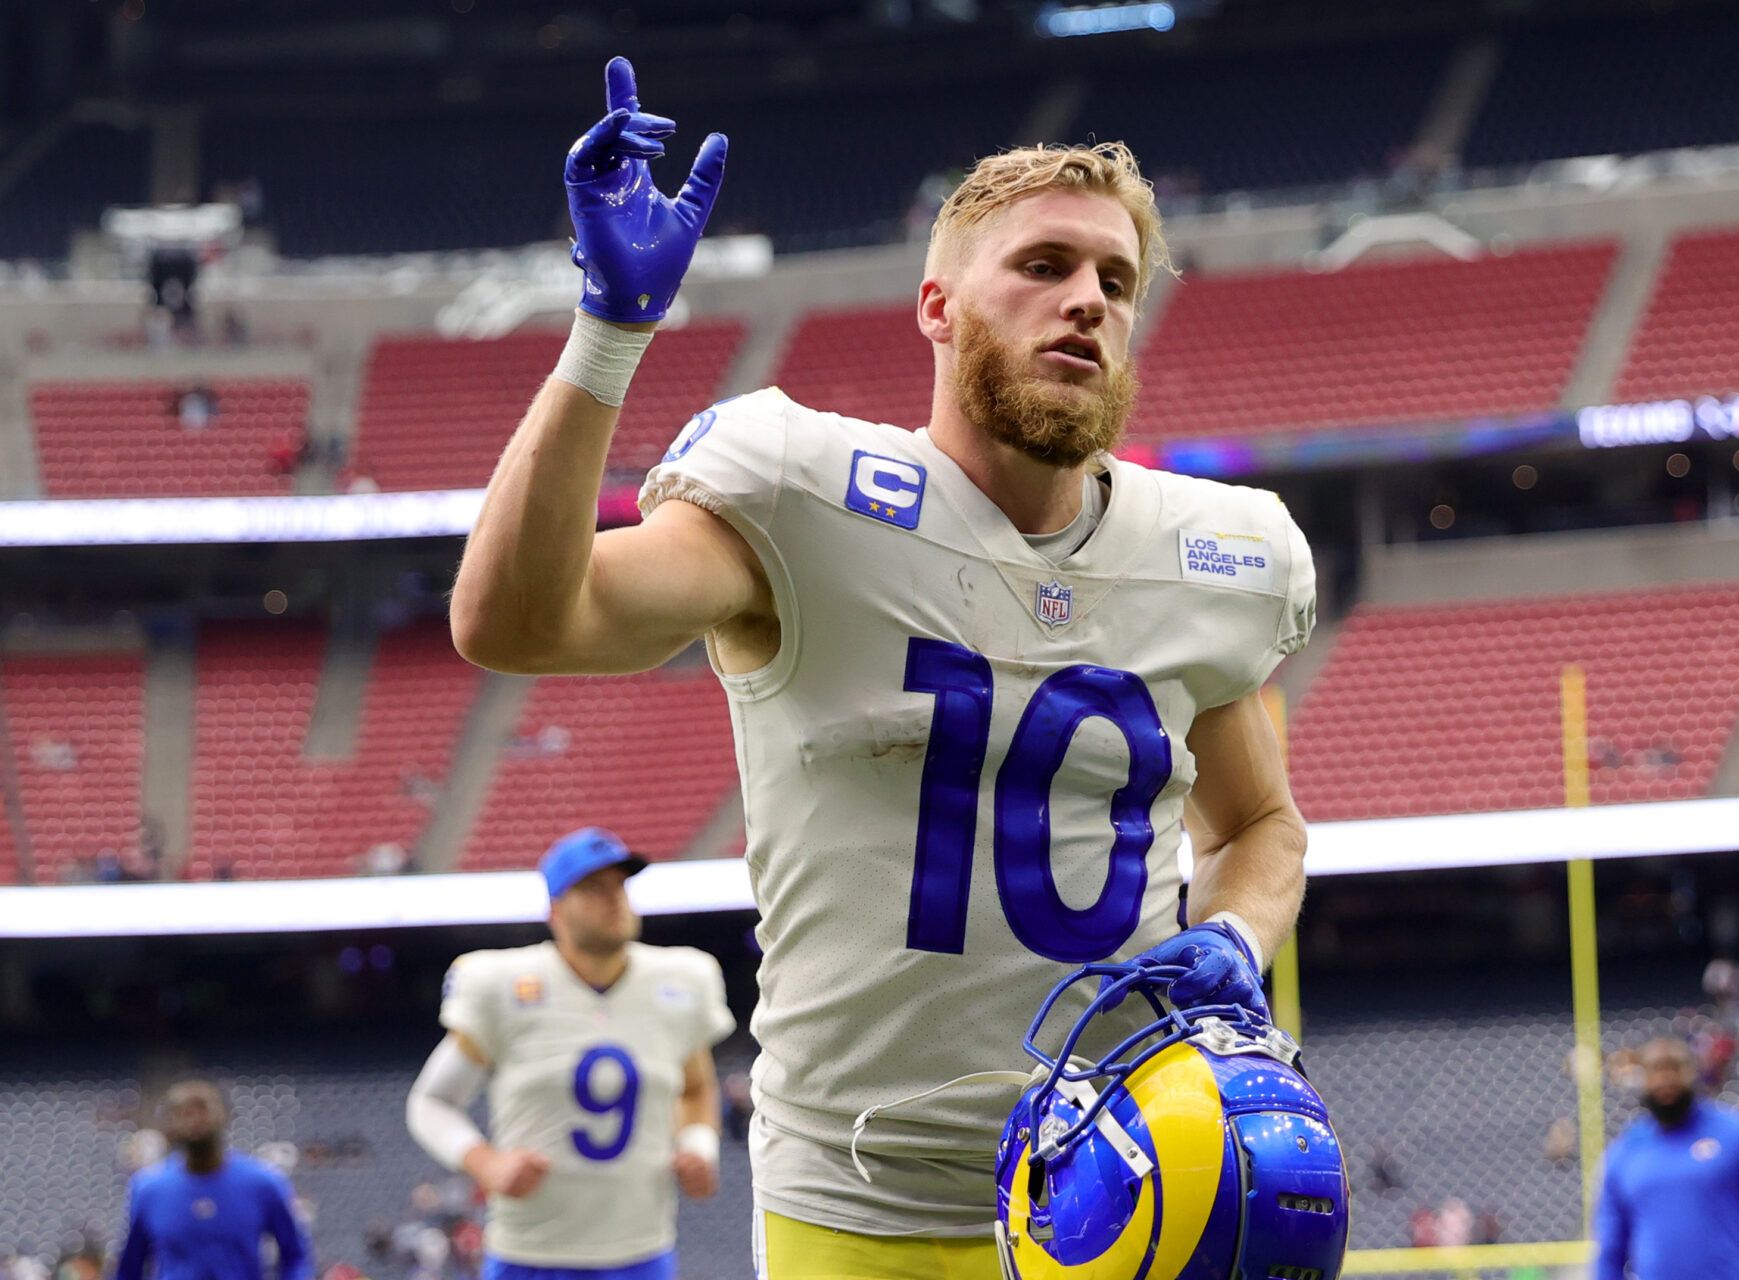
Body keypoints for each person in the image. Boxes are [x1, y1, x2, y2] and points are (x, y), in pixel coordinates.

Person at [450, 55, 1315, 1279]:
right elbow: (515, 621)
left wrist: (1236, 937)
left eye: (1115, 281)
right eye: (1043, 266)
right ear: (937, 306)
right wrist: (607, 337)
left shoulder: (1214, 553)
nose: (1088, 302)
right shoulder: (805, 491)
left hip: (1120, 1176)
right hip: (863, 1196)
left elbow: (1261, 824)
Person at [405, 828, 733, 1280]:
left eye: (620, 884)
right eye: (593, 888)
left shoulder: (682, 979)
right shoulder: (503, 986)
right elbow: (432, 1101)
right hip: (531, 1254)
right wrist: (488, 1165)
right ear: (555, 909)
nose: (613, 899)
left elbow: (696, 1086)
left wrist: (698, 1146)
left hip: (643, 1250)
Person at [1593, 1038, 1739, 1280]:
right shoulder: (1624, 1154)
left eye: (1675, 1067)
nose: (1666, 1079)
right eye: (1656, 1069)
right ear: (1642, 1079)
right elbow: (1610, 1250)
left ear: (1693, 1071)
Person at [113, 1081, 311, 1280]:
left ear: (225, 1115)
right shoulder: (149, 1189)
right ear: (170, 1124)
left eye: (202, 1108)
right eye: (184, 1112)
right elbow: (129, 1268)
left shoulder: (263, 1183)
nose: (195, 1119)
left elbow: (295, 1257)